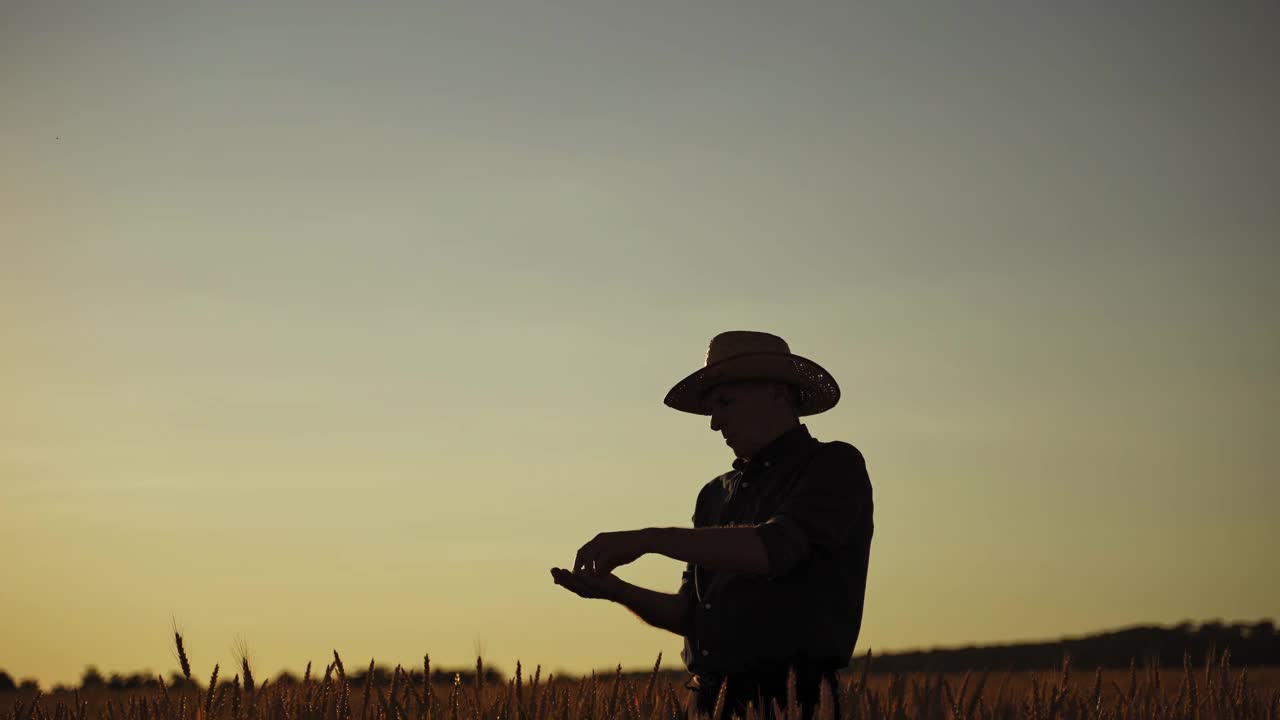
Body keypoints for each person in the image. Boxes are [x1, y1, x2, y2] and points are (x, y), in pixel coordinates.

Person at [550, 330, 874, 720]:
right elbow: (689, 615)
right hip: (710, 702)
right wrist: (616, 590)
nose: (715, 423)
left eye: (725, 403)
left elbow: (772, 550)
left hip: (795, 703)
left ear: (777, 392)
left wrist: (650, 539)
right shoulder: (714, 495)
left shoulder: (833, 466)